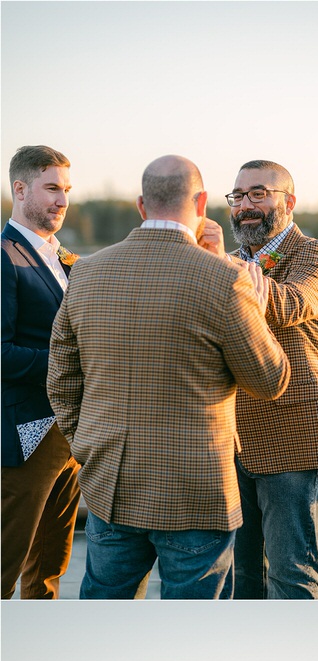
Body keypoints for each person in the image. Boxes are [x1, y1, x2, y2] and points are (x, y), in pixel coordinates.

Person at [46, 153, 290, 601]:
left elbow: (61, 377)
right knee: (192, 634)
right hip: (198, 491)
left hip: (110, 482)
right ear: (200, 204)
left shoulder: (86, 272)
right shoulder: (224, 279)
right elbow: (270, 379)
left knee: (103, 616)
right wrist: (248, 296)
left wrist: (87, 442)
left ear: (142, 205)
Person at [222, 158, 318, 599]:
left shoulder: (317, 254)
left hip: (293, 436)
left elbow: (290, 304)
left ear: (288, 201)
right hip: (232, 439)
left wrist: (214, 278)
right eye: (238, 197)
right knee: (241, 579)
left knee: (291, 573)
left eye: (259, 193)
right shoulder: (228, 261)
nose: (245, 206)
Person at [1, 144, 81, 599]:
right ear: (20, 188)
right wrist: (68, 366)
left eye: (67, 190)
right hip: (25, 432)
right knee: (4, 566)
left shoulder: (65, 259)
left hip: (69, 434)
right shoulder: (4, 256)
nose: (62, 200)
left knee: (49, 570)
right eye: (52, 188)